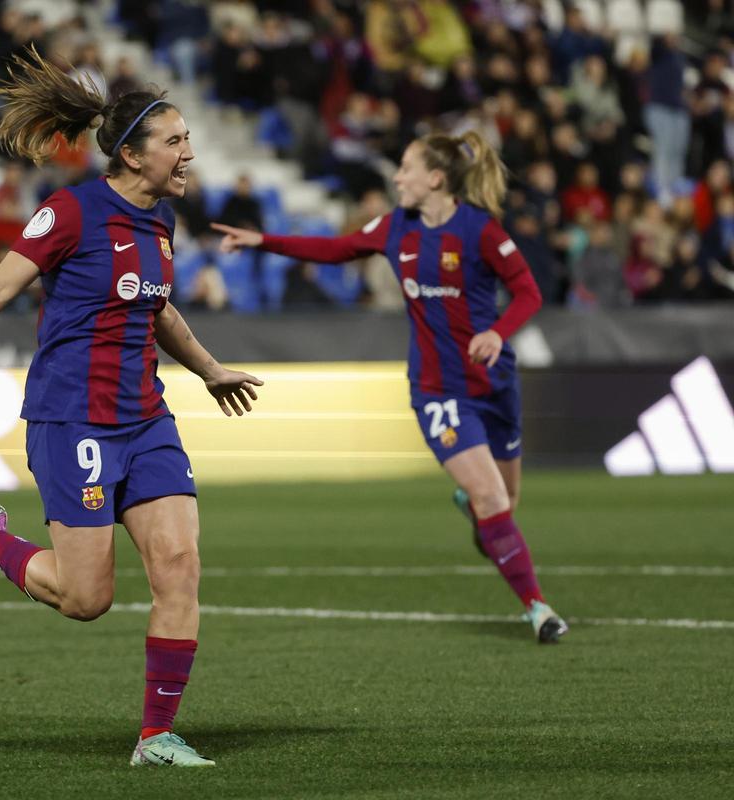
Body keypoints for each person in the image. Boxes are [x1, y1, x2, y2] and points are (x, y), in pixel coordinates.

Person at [0, 47, 262, 767]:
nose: (188, 154)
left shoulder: (160, 225)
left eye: (187, 140)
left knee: (179, 564)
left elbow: (158, 312)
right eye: (174, 142)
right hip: (73, 419)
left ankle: (156, 737)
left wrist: (209, 369)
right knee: (87, 598)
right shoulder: (71, 212)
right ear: (129, 155)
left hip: (145, 418)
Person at [212, 131, 569, 644]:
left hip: (495, 384)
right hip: (437, 389)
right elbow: (336, 249)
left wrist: (496, 332)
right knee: (492, 496)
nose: (397, 177)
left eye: (405, 168)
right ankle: (538, 608)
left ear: (435, 179)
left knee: (503, 501)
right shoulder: (395, 227)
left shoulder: (481, 231)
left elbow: (529, 293)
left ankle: (479, 510)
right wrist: (265, 240)